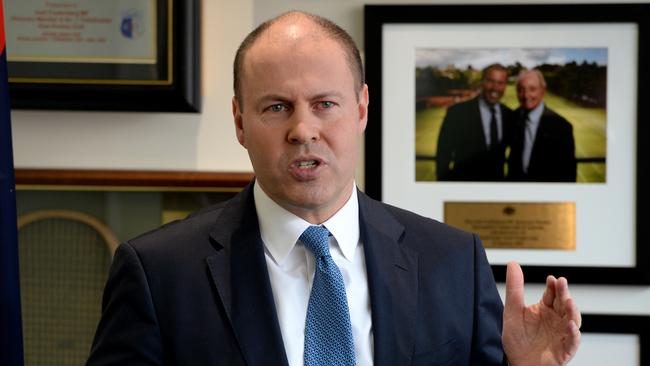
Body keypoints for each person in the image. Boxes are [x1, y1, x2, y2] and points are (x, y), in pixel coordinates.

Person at [87, 12, 581, 366]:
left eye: (325, 104)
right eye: (276, 107)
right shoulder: (158, 274)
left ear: (362, 110)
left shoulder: (453, 262)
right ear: (239, 122)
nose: (303, 130)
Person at [436, 64, 514, 181]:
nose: (495, 88)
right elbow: (443, 154)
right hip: (464, 189)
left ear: (505, 86)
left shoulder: (509, 115)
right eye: (490, 81)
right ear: (482, 82)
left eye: (500, 83)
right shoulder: (457, 112)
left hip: (496, 191)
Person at [508, 69, 577, 182]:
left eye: (532, 89)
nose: (526, 95)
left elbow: (568, 176)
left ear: (543, 91)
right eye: (521, 90)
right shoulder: (513, 118)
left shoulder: (562, 127)